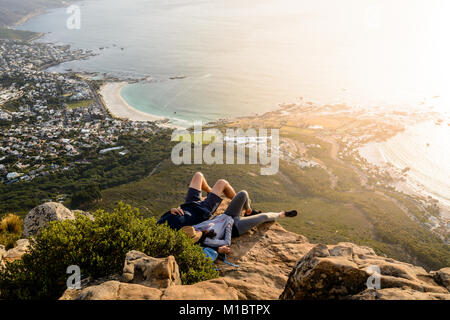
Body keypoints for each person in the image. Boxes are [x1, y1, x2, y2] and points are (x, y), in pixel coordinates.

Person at [182, 189, 297, 255]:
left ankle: (248, 211)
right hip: (235, 227)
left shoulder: (194, 228)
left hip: (227, 214)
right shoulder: (207, 241)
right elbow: (226, 242)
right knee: (264, 216)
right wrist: (229, 225)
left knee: (243, 194)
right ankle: (282, 214)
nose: (195, 231)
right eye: (195, 234)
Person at [157, 172, 236, 230]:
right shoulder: (171, 236)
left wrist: (172, 210)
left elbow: (163, 217)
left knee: (198, 175)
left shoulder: (157, 225)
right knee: (222, 182)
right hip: (202, 212)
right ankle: (239, 200)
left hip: (189, 205)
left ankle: (210, 191)